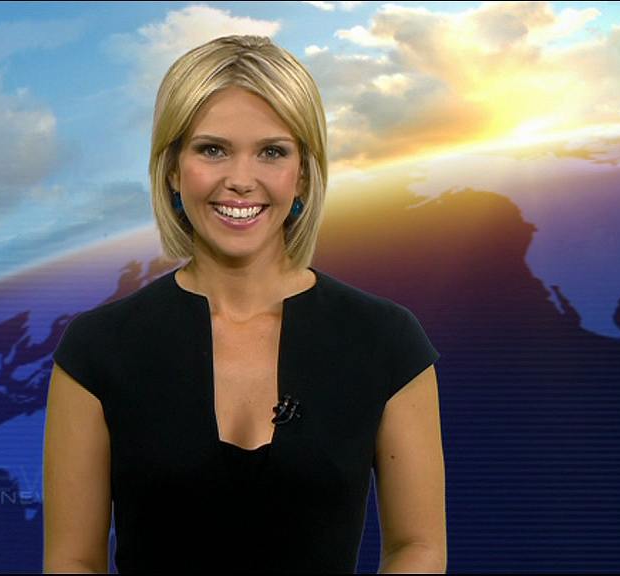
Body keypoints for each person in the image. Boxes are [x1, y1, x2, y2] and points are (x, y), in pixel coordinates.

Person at [43, 35, 445, 574]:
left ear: (303, 173)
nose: (240, 180)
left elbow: (418, 548)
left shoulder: (387, 341)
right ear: (172, 168)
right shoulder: (97, 349)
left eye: (272, 152)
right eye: (212, 149)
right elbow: (73, 561)